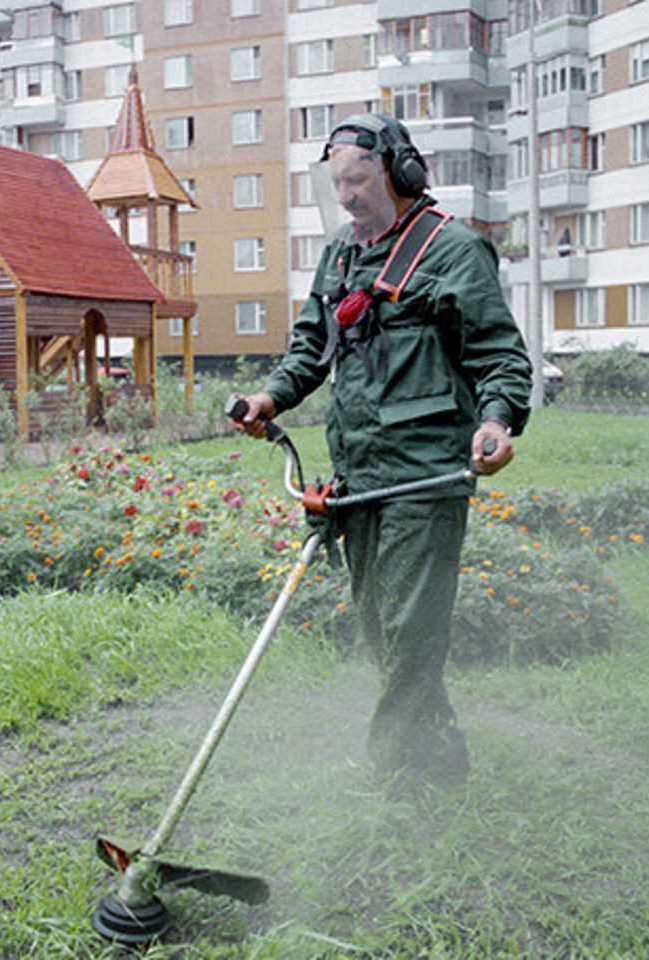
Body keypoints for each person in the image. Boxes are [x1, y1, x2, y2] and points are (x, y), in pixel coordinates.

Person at [231, 114, 532, 790]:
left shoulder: (452, 250)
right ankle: (439, 755)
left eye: (358, 179)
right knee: (385, 630)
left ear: (399, 173)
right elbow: (311, 348)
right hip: (360, 470)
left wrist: (496, 421)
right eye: (336, 181)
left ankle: (395, 782)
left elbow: (500, 355)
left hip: (425, 474)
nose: (346, 194)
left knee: (411, 630)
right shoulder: (341, 253)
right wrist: (269, 401)